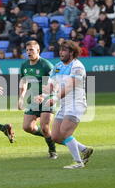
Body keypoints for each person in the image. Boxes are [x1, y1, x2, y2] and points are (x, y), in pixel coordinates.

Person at [35, 40, 93, 169]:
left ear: (72, 52)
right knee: (55, 136)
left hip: (76, 103)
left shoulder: (77, 66)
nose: (61, 52)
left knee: (65, 131)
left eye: (64, 50)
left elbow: (69, 86)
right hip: (64, 105)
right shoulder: (57, 66)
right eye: (60, 50)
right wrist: (43, 96)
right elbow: (51, 85)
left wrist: (55, 98)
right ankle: (84, 150)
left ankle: (78, 162)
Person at [18, 40, 57, 159]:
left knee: (44, 127)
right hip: (33, 100)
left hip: (47, 98)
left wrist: (44, 96)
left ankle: (52, 150)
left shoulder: (46, 65)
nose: (29, 53)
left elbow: (55, 83)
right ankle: (50, 137)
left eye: (32, 50)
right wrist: (21, 97)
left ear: (38, 51)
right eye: (27, 50)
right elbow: (24, 81)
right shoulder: (24, 65)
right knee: (27, 127)